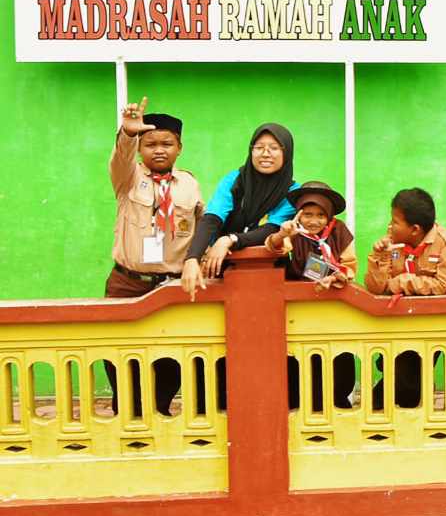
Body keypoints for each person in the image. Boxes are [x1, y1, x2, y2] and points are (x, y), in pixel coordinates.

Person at [107, 97, 202, 417]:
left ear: (179, 147)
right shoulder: (128, 177)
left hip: (171, 287)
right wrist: (128, 134)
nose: (159, 150)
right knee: (119, 354)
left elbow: (204, 227)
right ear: (141, 148)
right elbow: (121, 159)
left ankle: (158, 412)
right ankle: (127, 415)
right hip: (128, 283)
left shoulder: (189, 184)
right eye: (150, 144)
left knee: (170, 358)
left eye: (167, 143)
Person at [264, 181, 357, 409]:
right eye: (307, 214)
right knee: (300, 360)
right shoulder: (291, 231)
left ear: (329, 216)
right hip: (299, 311)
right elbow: (272, 248)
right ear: (299, 214)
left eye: (320, 215)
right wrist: (282, 235)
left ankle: (337, 404)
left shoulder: (339, 230)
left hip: (334, 309)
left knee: (337, 358)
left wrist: (336, 277)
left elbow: (350, 265)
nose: (313, 221)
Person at [364, 188, 446, 408]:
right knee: (402, 382)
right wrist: (379, 256)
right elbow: (377, 287)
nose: (390, 226)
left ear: (415, 229)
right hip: (397, 324)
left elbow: (444, 284)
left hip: (429, 327)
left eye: (395, 222)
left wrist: (404, 281)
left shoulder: (445, 243)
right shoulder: (393, 243)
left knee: (408, 385)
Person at [181, 123, 298, 299]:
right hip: (223, 267)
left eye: (274, 148)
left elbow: (271, 229)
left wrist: (229, 239)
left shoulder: (293, 191)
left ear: (286, 153)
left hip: (270, 272)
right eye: (259, 147)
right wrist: (193, 258)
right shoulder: (234, 180)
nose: (265, 153)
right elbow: (213, 217)